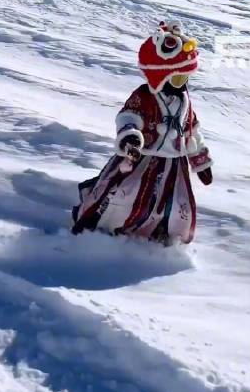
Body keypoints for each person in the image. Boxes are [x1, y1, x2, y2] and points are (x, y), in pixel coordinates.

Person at [72, 19, 213, 245]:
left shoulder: (185, 101)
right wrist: (131, 139)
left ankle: (161, 235)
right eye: (178, 77)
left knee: (173, 202)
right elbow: (129, 117)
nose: (182, 82)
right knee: (126, 194)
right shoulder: (145, 96)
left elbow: (192, 132)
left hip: (174, 166)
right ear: (160, 76)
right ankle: (105, 228)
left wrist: (200, 162)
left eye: (185, 77)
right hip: (142, 159)